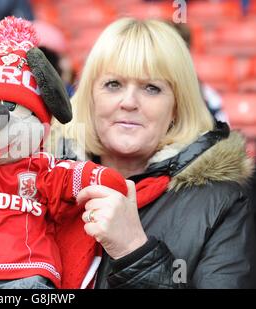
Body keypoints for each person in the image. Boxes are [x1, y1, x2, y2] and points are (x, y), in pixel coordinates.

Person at [57, 17, 256, 288]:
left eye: (152, 88)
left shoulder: (228, 201)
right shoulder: (44, 184)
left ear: (176, 106)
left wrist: (134, 252)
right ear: (90, 97)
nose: (129, 102)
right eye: (113, 84)